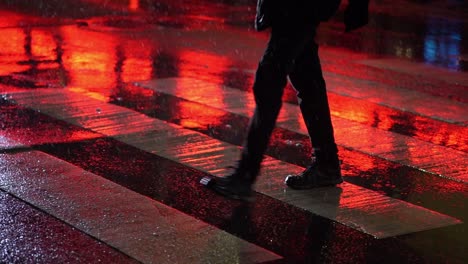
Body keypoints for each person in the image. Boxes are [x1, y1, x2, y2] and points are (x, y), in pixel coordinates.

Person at [201, 0, 369, 200]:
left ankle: (245, 176)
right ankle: (326, 163)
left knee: (269, 79)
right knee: (307, 78)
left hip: (299, 7)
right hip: (298, 8)